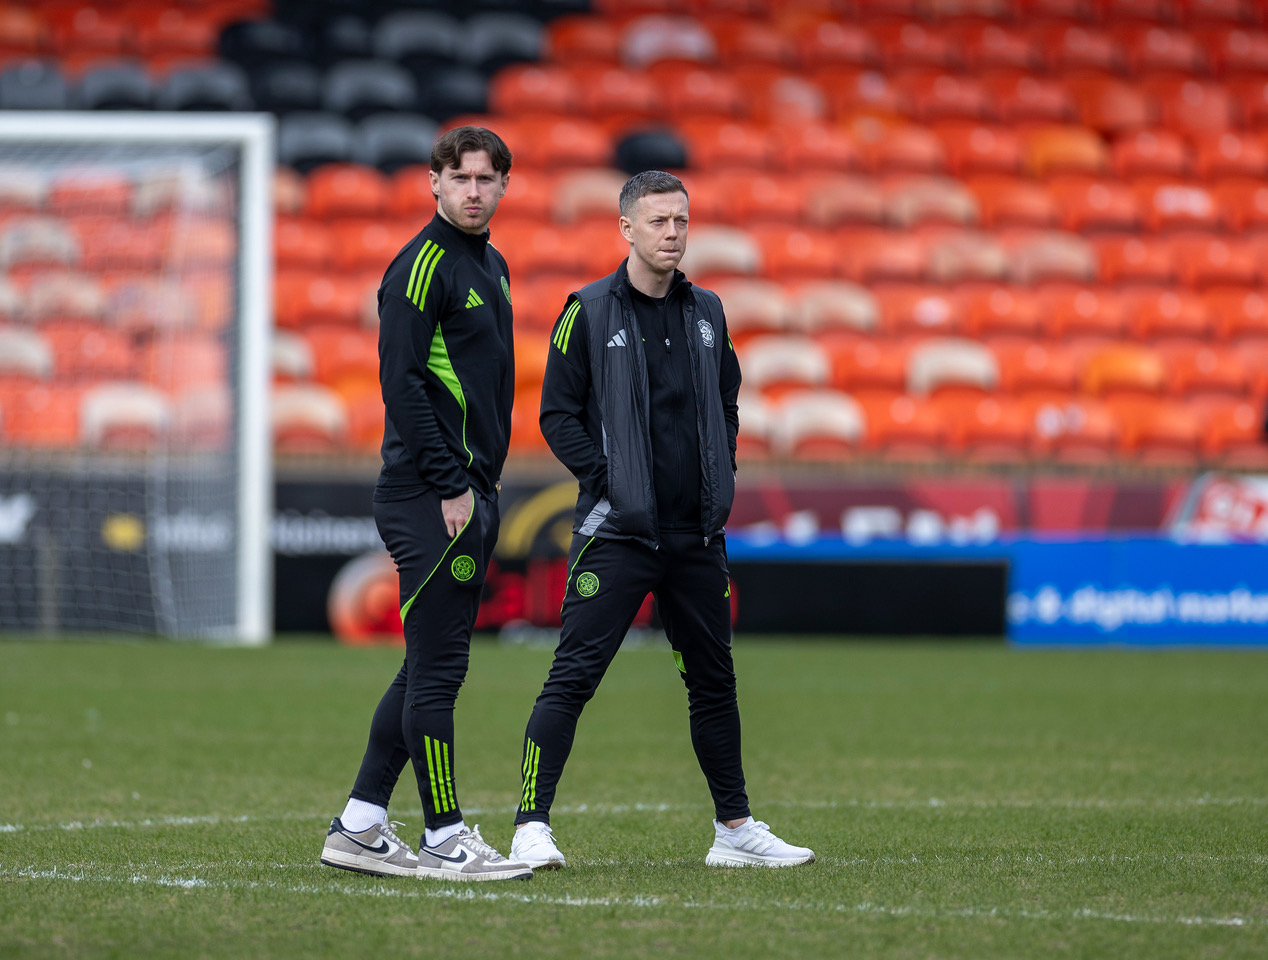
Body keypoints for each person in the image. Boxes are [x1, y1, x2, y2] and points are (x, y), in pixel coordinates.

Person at [508, 170, 815, 870]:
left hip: (697, 538)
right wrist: (611, 480)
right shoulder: (584, 311)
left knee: (714, 682)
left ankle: (734, 830)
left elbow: (728, 401)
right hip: (618, 534)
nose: (673, 233)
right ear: (626, 229)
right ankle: (530, 825)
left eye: (680, 220)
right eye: (658, 222)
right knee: (572, 677)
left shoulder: (708, 310)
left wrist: (721, 473)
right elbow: (555, 414)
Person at [320, 126, 531, 882]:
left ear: (504, 186)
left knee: (423, 667)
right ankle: (444, 835)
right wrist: (449, 483)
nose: (475, 190)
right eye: (461, 177)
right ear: (433, 184)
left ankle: (360, 823)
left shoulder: (493, 264)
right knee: (439, 672)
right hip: (429, 493)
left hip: (469, 490)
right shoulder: (420, 268)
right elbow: (402, 385)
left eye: (487, 178)